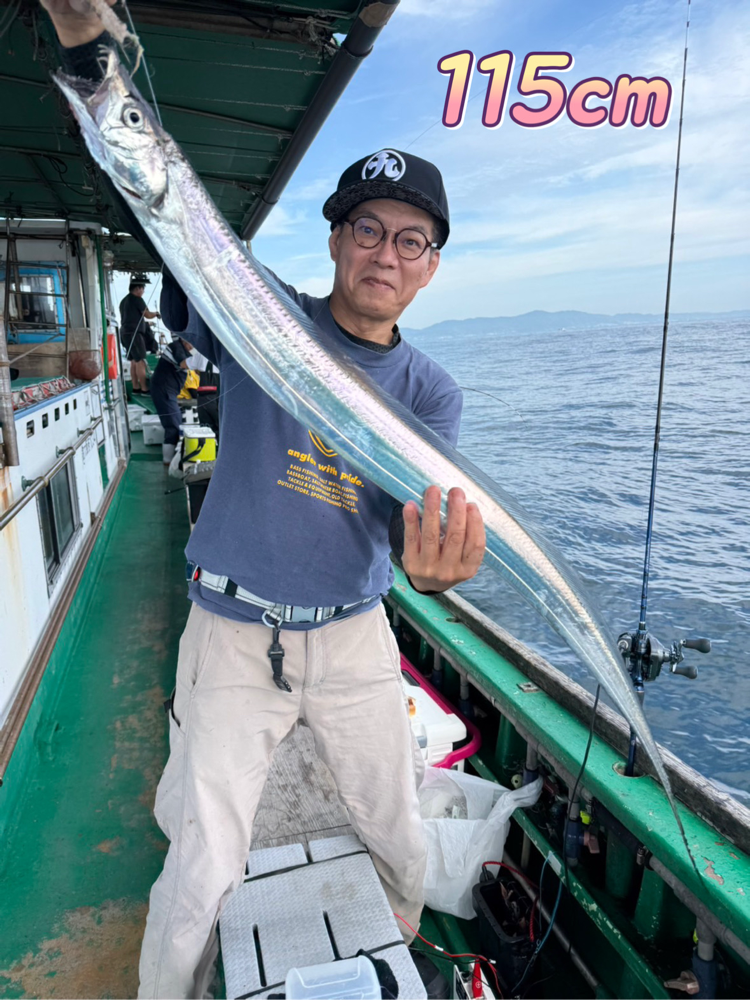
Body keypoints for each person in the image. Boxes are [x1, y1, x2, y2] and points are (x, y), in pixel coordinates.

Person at [41, 6, 487, 998]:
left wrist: (434, 572)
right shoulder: (259, 314)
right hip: (233, 635)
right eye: (366, 228)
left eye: (411, 239)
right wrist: (93, 63)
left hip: (354, 639)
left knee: (400, 841)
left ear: (431, 265)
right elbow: (163, 214)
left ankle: (399, 963)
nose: (385, 253)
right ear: (335, 240)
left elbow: (406, 536)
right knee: (199, 871)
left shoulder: (431, 393)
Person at [150, 337, 192, 465]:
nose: (193, 347)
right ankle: (167, 461)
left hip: (168, 389)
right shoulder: (177, 348)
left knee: (175, 423)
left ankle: (170, 459)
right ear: (185, 339)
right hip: (164, 390)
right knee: (173, 426)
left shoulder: (180, 347)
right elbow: (183, 364)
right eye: (192, 343)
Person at [120, 277, 160, 395]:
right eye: (143, 289)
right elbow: (147, 314)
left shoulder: (124, 301)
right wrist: (156, 314)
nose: (143, 292)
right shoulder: (137, 299)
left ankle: (136, 388)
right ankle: (144, 389)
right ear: (138, 288)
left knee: (133, 361)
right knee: (140, 361)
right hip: (135, 334)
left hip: (125, 334)